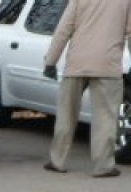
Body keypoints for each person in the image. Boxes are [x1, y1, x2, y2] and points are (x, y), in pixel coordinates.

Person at [42, 0, 131, 178]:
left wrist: (50, 61)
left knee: (66, 114)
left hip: (76, 64)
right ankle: (103, 167)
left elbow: (63, 29)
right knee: (105, 117)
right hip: (107, 66)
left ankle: (57, 161)